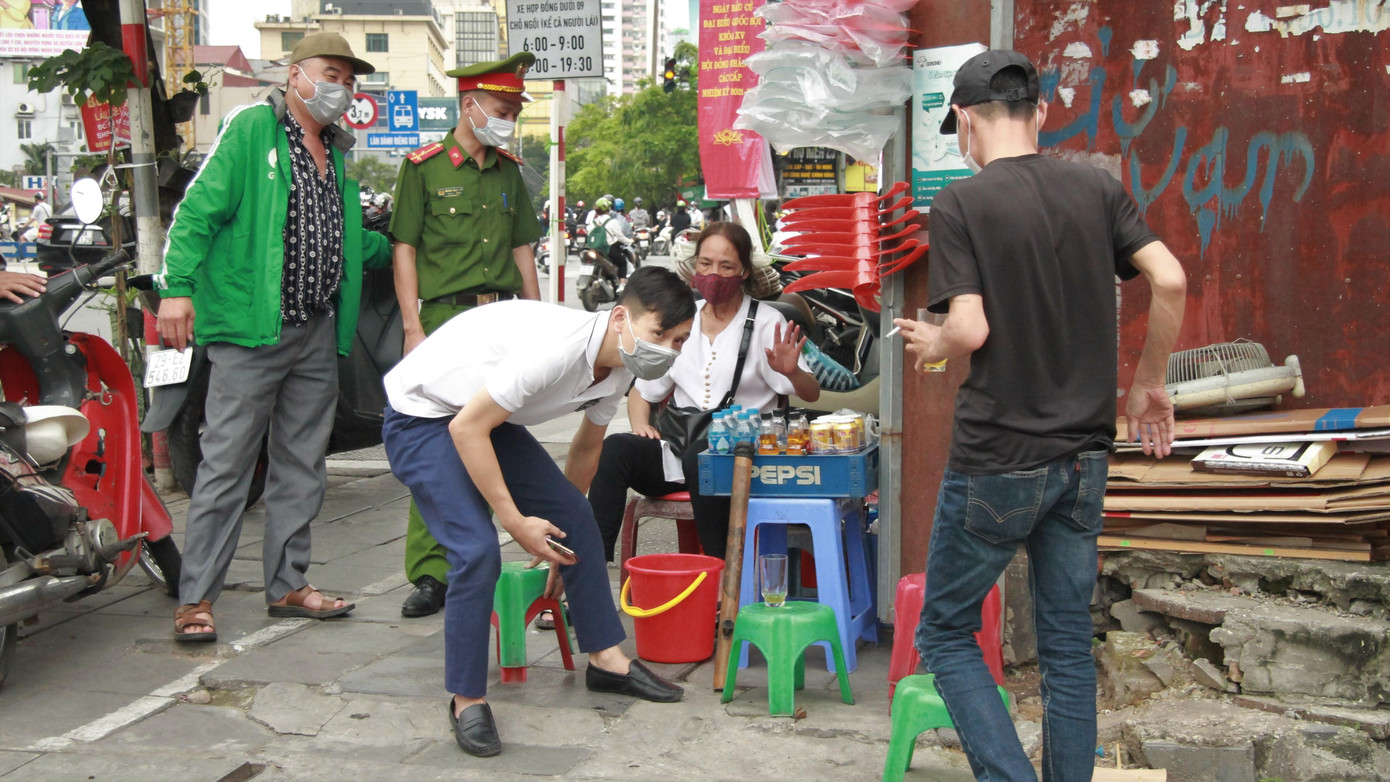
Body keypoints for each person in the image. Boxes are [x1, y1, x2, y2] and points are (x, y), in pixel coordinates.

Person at [895, 50, 1186, 781]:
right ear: (1041, 113)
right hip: (1084, 457)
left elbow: (969, 330)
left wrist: (934, 338)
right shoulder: (1094, 185)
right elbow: (1171, 276)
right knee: (1064, 642)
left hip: (999, 457)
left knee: (945, 633)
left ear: (962, 121)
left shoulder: (962, 203)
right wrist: (1147, 382)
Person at [381, 266, 697, 758]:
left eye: (679, 341)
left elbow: (588, 447)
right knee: (476, 550)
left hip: (482, 413)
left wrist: (559, 536)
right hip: (422, 416)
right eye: (660, 334)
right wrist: (517, 523)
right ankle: (467, 699)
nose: (668, 350)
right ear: (621, 318)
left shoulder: (619, 365)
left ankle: (607, 661)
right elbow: (466, 430)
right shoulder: (558, 350)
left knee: (580, 515)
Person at [156, 32, 390, 642]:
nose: (343, 87)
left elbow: (345, 238)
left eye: (350, 78)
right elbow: (195, 213)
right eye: (331, 73)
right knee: (227, 465)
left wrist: (407, 250)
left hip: (315, 329)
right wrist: (176, 286)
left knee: (302, 464)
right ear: (295, 74)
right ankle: (196, 598)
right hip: (251, 332)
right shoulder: (254, 129)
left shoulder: (335, 149)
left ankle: (287, 583)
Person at [390, 51, 543, 618]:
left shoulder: (507, 170)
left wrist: (537, 317)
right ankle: (431, 573)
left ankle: (485, 552)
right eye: (501, 109)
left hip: (499, 319)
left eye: (513, 111)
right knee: (434, 442)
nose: (507, 119)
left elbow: (522, 247)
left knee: (494, 435)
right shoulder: (423, 167)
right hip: (442, 321)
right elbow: (404, 248)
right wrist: (412, 328)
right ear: (469, 104)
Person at [588, 222, 821, 560]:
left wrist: (793, 371)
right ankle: (590, 566)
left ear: (743, 271)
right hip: (676, 451)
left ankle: (720, 577)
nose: (714, 274)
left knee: (704, 459)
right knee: (615, 449)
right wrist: (641, 425)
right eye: (706, 264)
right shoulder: (684, 319)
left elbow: (810, 393)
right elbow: (643, 390)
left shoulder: (768, 321)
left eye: (726, 266)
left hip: (740, 460)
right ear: (694, 266)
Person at [590, 198, 635, 284]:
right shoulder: (612, 222)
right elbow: (621, 237)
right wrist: (630, 241)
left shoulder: (594, 222)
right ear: (608, 209)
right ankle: (622, 285)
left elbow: (589, 234)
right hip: (608, 250)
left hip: (595, 249)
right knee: (622, 263)